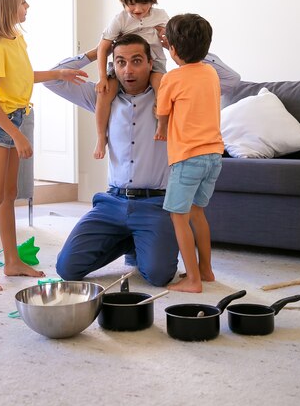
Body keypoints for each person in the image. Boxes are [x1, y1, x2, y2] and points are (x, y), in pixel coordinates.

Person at [44, 32, 240, 287]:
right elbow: (52, 80)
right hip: (111, 203)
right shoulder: (102, 97)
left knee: (158, 276)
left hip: (156, 204)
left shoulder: (173, 93)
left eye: (136, 61)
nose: (128, 70)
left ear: (151, 63)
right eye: (120, 62)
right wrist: (96, 52)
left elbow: (231, 80)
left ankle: (140, 239)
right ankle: (130, 239)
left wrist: (183, 47)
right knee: (67, 268)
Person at [0, 0, 87, 292]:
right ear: (7, 6)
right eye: (23, 0)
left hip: (15, 118)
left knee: (9, 194)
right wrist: (17, 135)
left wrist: (58, 73)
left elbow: (23, 76)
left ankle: (12, 260)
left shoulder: (15, 40)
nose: (28, 5)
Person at [155, 13, 224, 293]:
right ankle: (206, 271)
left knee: (178, 216)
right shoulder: (211, 72)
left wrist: (161, 130)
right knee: (198, 213)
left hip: (188, 158)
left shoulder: (172, 78)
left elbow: (162, 113)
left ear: (171, 49)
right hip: (214, 156)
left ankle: (193, 280)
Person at [94, 0, 169, 159]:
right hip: (124, 66)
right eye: (131, 4)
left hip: (155, 64)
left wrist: (165, 37)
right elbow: (102, 48)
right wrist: (103, 77)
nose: (137, 9)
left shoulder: (160, 16)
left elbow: (170, 41)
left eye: (144, 3)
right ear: (123, 2)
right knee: (104, 94)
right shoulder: (120, 19)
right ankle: (101, 137)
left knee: (162, 88)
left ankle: (162, 125)